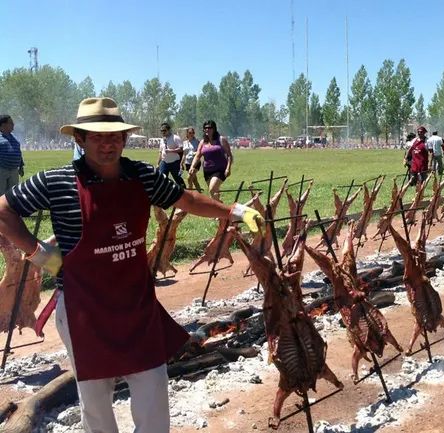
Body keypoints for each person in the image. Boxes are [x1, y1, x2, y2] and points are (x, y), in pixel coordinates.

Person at [0, 97, 264, 433]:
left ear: (124, 139)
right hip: (84, 312)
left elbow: (186, 199)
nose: (107, 144)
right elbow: (3, 209)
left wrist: (234, 211)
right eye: (97, 136)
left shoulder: (142, 175)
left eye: (114, 136)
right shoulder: (57, 181)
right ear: (79, 139)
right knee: (95, 405)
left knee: (153, 390)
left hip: (137, 306)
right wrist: (38, 253)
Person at [189, 120, 233, 201]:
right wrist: (192, 166)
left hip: (220, 170)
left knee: (212, 189)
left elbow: (229, 156)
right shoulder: (202, 142)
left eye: (209, 127)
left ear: (214, 129)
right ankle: (220, 208)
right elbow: (198, 156)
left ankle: (220, 209)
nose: (207, 129)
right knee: (214, 194)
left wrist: (228, 168)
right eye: (205, 128)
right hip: (207, 172)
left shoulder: (221, 139)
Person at [0, 115, 24, 193]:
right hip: (2, 170)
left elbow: (18, 152)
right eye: (11, 123)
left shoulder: (14, 137)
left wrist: (21, 166)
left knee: (13, 194)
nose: (13, 124)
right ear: (3, 125)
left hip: (14, 170)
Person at [156, 122, 184, 186]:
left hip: (174, 163)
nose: (163, 132)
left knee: (178, 179)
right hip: (164, 162)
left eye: (164, 130)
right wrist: (158, 163)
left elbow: (181, 149)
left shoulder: (175, 138)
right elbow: (160, 152)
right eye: (161, 131)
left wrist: (171, 151)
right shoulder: (162, 140)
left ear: (169, 130)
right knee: (162, 179)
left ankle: (184, 191)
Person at [182, 127, 202, 191]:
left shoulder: (197, 141)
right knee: (194, 180)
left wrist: (195, 153)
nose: (191, 134)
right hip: (187, 163)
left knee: (189, 178)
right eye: (190, 133)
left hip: (196, 162)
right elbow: (184, 154)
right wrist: (181, 163)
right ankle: (199, 192)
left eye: (193, 133)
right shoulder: (185, 142)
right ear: (187, 133)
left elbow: (201, 151)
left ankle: (190, 193)